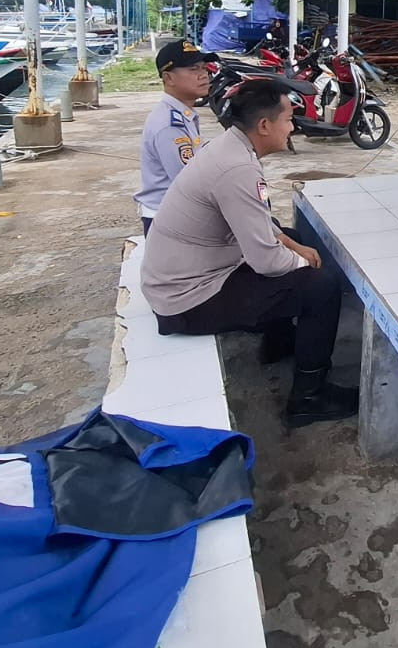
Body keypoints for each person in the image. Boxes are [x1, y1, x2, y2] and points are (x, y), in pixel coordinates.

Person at [139, 76, 358, 427]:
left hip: (185, 275)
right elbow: (266, 261)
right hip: (185, 299)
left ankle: (280, 344)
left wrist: (293, 244)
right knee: (320, 285)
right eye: (288, 119)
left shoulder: (229, 146)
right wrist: (305, 260)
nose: (293, 128)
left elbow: (257, 223)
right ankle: (309, 396)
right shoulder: (238, 168)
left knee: (288, 237)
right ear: (264, 125)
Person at [134, 40, 215, 234]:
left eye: (204, 68)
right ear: (168, 78)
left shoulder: (182, 114)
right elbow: (189, 185)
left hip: (178, 214)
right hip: (169, 222)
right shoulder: (169, 125)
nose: (204, 75)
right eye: (193, 69)